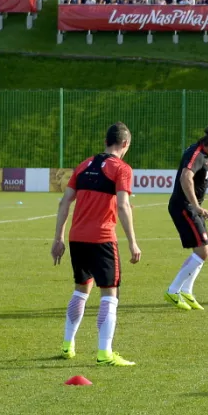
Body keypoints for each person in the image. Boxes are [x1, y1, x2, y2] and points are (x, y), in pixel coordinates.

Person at [51, 121, 142, 367]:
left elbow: (64, 202)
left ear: (105, 141)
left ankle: (67, 345)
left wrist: (58, 238)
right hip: (102, 238)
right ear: (125, 143)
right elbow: (123, 205)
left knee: (81, 289)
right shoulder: (121, 168)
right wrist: (133, 242)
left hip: (77, 238)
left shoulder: (84, 165)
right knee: (109, 294)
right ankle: (105, 353)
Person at [164, 123, 208, 311]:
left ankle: (186, 291)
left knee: (204, 249)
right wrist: (196, 206)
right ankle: (173, 290)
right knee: (203, 251)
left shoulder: (203, 152)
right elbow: (186, 177)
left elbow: (205, 164)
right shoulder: (196, 153)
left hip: (190, 207)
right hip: (184, 207)